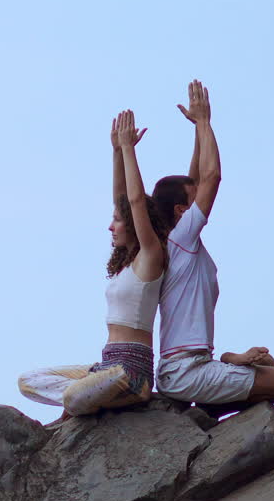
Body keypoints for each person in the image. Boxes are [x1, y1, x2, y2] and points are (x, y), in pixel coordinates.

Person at [152, 80, 274, 416]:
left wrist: (196, 132)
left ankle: (226, 367)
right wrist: (205, 122)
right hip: (184, 372)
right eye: (192, 201)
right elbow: (211, 178)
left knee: (268, 363)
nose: (200, 200)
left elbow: (192, 179)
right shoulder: (181, 239)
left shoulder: (177, 239)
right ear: (180, 211)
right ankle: (213, 396)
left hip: (190, 366)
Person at [17, 110, 169, 417]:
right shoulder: (127, 265)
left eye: (116, 222)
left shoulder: (151, 257)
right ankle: (96, 397)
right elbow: (122, 201)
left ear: (134, 225)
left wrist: (129, 149)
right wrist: (115, 152)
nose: (110, 227)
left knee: (73, 397)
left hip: (131, 371)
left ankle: (109, 397)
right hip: (107, 365)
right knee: (29, 381)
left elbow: (135, 202)